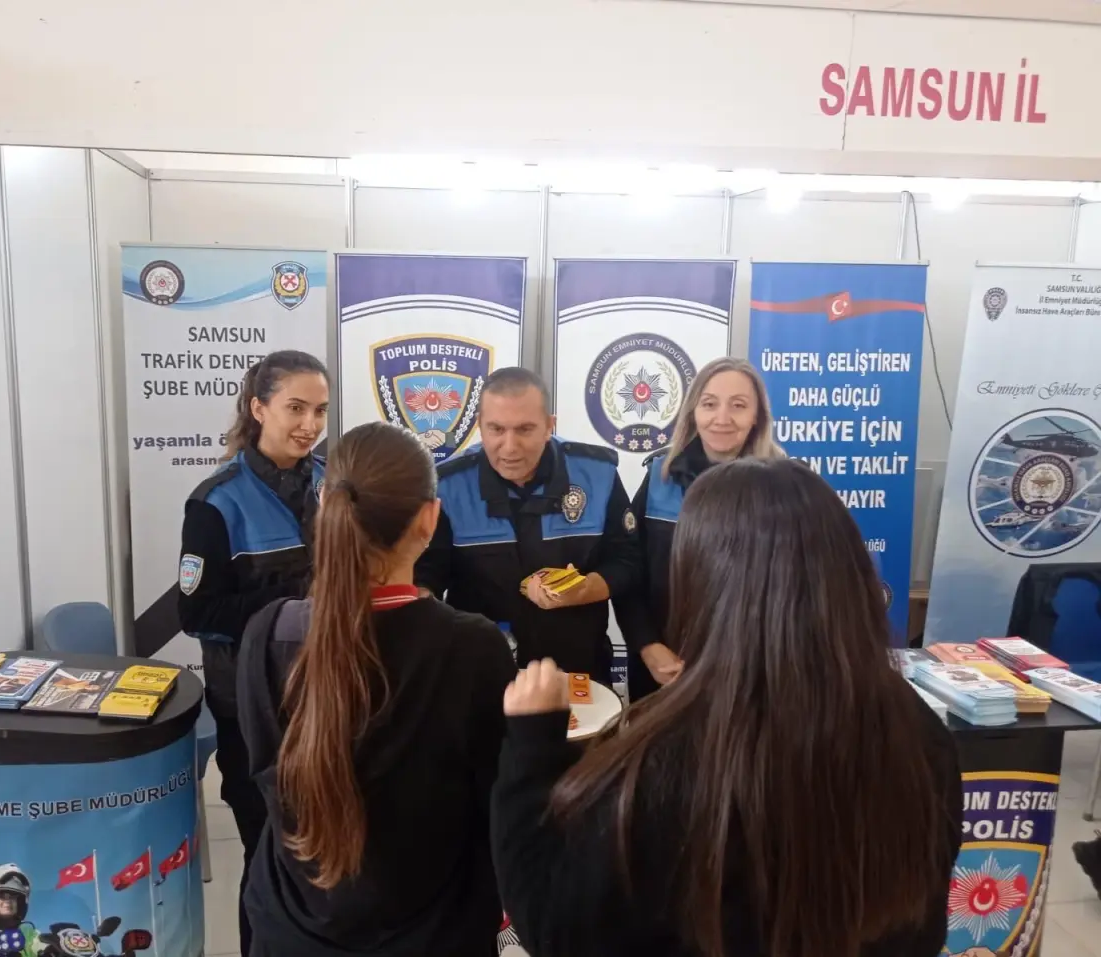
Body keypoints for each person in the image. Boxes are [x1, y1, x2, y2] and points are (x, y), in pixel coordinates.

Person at [492, 458, 962, 957]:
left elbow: (556, 927)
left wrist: (534, 751)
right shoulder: (917, 731)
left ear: (702, 580)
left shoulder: (659, 766)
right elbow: (924, 922)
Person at [236, 422, 515, 957]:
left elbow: (267, 778)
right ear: (429, 519)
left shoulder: (268, 633)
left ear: (326, 503)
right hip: (433, 933)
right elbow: (498, 806)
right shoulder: (471, 649)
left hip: (291, 929)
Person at [176, 350, 328, 957]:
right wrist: (298, 604)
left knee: (323, 855)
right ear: (258, 408)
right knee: (267, 856)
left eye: (320, 411)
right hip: (253, 712)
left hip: (326, 703)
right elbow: (197, 613)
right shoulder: (216, 503)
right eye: (296, 408)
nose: (310, 424)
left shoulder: (334, 485)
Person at [415, 367, 642, 681]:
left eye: (525, 429)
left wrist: (584, 590)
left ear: (549, 426)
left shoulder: (597, 474)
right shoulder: (448, 485)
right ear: (480, 426)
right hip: (478, 670)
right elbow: (426, 573)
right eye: (496, 429)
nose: (509, 446)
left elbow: (627, 559)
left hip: (579, 667)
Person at [619, 356, 785, 701]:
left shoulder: (785, 487)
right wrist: (647, 646)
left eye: (738, 405)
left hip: (750, 673)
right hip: (662, 669)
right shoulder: (660, 478)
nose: (722, 418)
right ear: (694, 411)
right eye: (709, 404)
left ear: (757, 416)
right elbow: (628, 571)